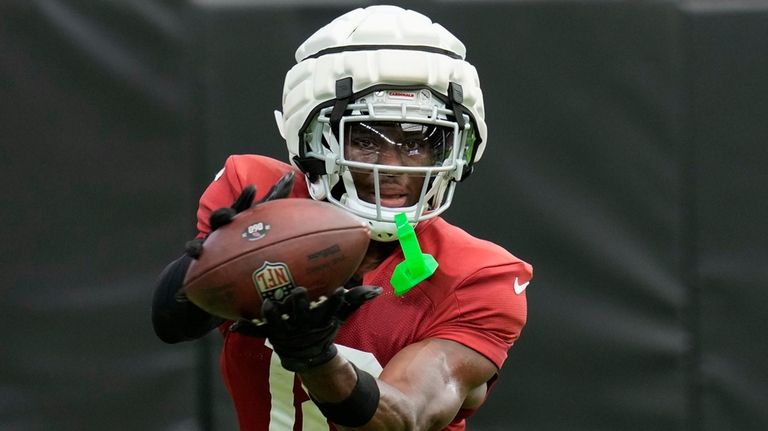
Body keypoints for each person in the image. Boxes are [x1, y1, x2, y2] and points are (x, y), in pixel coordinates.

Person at [152, 5, 532, 431]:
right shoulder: (258, 195)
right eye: (367, 138)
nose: (393, 165)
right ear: (312, 136)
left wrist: (316, 357)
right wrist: (211, 262)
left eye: (419, 142)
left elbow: (406, 416)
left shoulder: (479, 276)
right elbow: (172, 321)